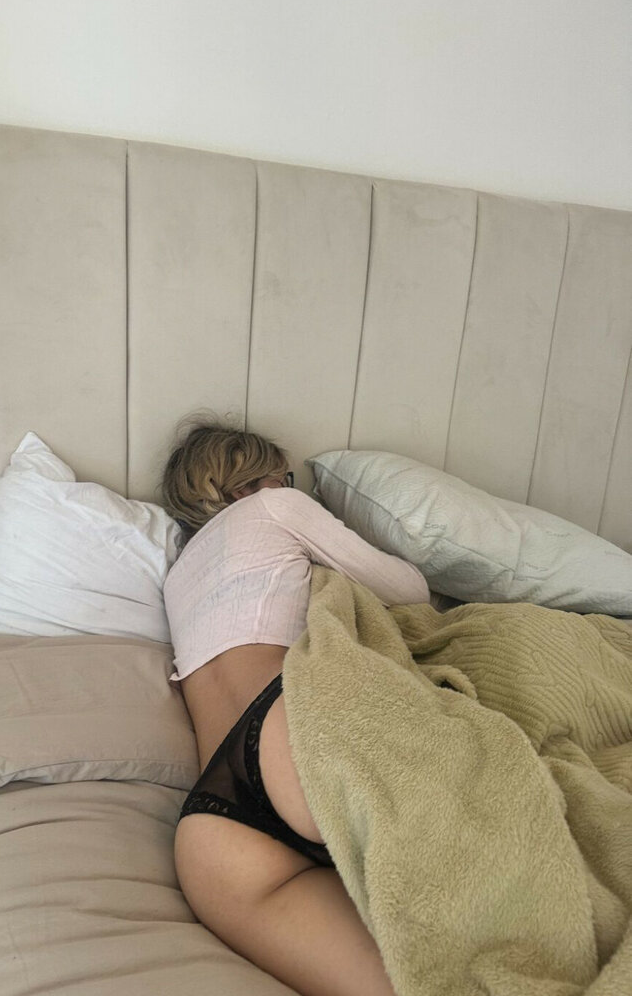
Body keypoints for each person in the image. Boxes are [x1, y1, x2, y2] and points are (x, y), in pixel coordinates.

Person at [162, 422, 430, 996]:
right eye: (285, 477)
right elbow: (410, 590)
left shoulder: (176, 577)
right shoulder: (273, 506)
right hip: (292, 734)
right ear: (249, 484)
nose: (292, 489)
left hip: (215, 831)